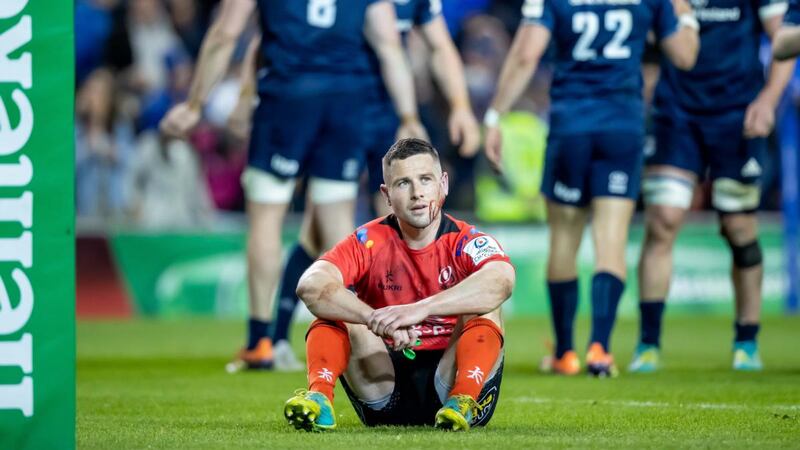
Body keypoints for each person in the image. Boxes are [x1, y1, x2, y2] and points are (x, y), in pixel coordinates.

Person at [160, 0, 424, 371]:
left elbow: (225, 33)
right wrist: (409, 114)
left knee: (267, 218)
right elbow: (388, 43)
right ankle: (358, 344)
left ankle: (259, 342)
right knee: (336, 226)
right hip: (347, 100)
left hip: (287, 95)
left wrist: (195, 104)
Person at [484, 0, 699, 376]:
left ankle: (565, 352)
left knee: (564, 239)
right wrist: (683, 11)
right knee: (611, 240)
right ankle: (600, 349)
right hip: (622, 128)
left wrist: (495, 114)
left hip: (571, 128)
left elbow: (526, 54)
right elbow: (684, 55)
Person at [267, 0, 481, 371]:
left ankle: (401, 332)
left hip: (388, 117)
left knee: (397, 224)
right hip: (346, 109)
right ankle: (278, 337)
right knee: (321, 227)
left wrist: (461, 105)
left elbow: (440, 45)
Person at [283, 138, 515, 432]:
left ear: (443, 184)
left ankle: (464, 399)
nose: (417, 193)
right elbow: (311, 285)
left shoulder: (466, 241)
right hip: (383, 384)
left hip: (451, 376)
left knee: (486, 306)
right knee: (333, 306)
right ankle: (319, 398)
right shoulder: (367, 240)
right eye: (403, 183)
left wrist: (418, 310)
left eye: (425, 180)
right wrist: (374, 319)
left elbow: (502, 280)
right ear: (387, 194)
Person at [630, 0, 795, 373]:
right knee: (663, 220)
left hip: (737, 113)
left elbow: (784, 40)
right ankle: (648, 344)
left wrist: (769, 100)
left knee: (738, 226)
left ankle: (746, 341)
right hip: (675, 114)